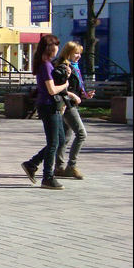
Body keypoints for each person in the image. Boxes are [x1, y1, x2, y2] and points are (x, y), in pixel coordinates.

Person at [21, 34, 70, 189]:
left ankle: (32, 164)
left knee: (60, 140)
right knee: (53, 142)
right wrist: (65, 85)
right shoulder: (46, 65)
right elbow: (52, 90)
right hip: (48, 106)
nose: (57, 49)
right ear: (50, 48)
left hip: (51, 106)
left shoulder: (47, 64)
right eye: (56, 46)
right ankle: (47, 177)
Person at [53, 41, 95, 179]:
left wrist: (84, 94)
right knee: (81, 134)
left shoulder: (74, 67)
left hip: (71, 103)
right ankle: (71, 166)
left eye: (80, 54)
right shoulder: (64, 67)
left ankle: (59, 167)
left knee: (65, 138)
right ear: (68, 53)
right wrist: (73, 95)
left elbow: (74, 86)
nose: (79, 56)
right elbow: (59, 88)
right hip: (67, 104)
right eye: (76, 53)